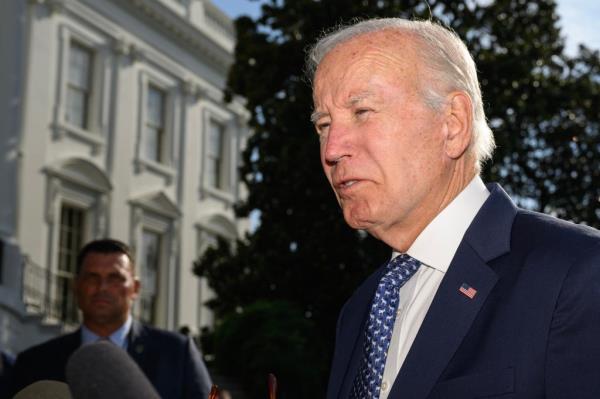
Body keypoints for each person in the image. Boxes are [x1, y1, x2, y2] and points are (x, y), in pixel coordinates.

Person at [307, 18, 600, 399]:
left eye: (361, 111)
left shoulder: (577, 272)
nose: (331, 149)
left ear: (453, 124)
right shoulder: (359, 310)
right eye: (323, 124)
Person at [10, 238, 212, 398]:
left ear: (135, 288)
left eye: (115, 278)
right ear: (76, 286)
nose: (102, 288)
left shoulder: (178, 352)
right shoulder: (34, 362)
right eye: (92, 277)